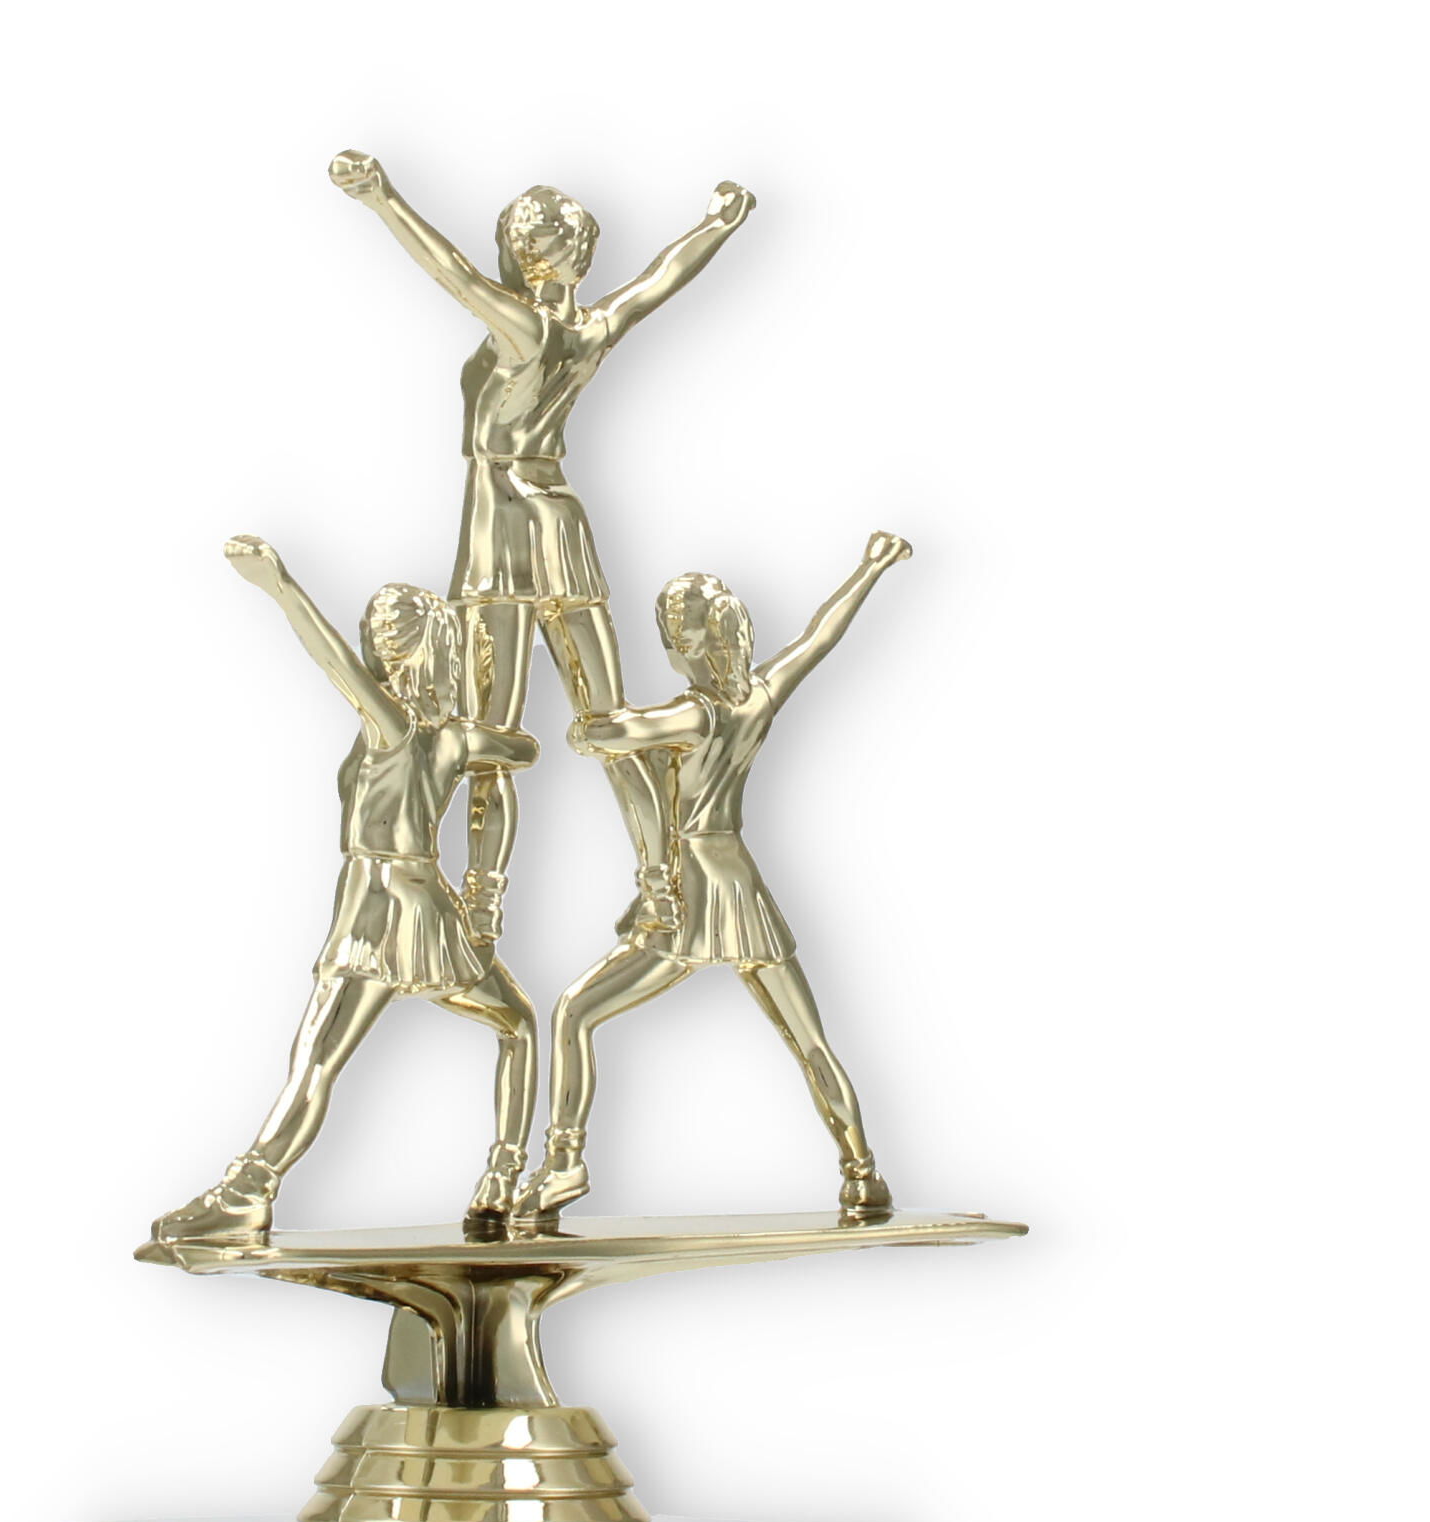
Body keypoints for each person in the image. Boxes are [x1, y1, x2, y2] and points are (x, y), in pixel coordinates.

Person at [328, 149, 755, 940]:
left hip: (499, 526)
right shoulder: (591, 329)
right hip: (559, 518)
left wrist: (382, 198)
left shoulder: (522, 327)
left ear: (531, 255)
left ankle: (484, 899)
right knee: (608, 721)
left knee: (490, 734)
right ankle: (659, 884)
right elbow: (660, 279)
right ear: (580, 257)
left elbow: (451, 272)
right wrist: (716, 224)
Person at [150, 537, 542, 1247]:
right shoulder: (446, 736)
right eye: (374, 629)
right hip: (411, 903)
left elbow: (329, 658)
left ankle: (249, 1191)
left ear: (411, 650)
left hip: (384, 909)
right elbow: (521, 748)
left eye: (389, 632)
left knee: (319, 1059)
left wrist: (282, 588)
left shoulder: (397, 727)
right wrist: (483, 710)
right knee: (515, 1026)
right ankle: (503, 1173)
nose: (375, 642)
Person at [517, 532, 914, 1223]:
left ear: (691, 641)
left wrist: (585, 717)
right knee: (809, 1040)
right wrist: (870, 569)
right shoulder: (758, 697)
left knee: (575, 1012)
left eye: (672, 632)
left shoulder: (693, 714)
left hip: (694, 889)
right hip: (742, 882)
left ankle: (564, 1161)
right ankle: (862, 1170)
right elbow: (819, 637)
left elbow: (614, 732)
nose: (669, 644)